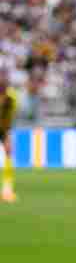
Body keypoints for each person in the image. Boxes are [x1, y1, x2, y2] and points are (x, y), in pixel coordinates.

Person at [1, 72, 18, 203]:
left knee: (9, 153)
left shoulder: (11, 97)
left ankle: (7, 189)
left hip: (4, 128)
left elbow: (10, 115)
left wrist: (7, 132)